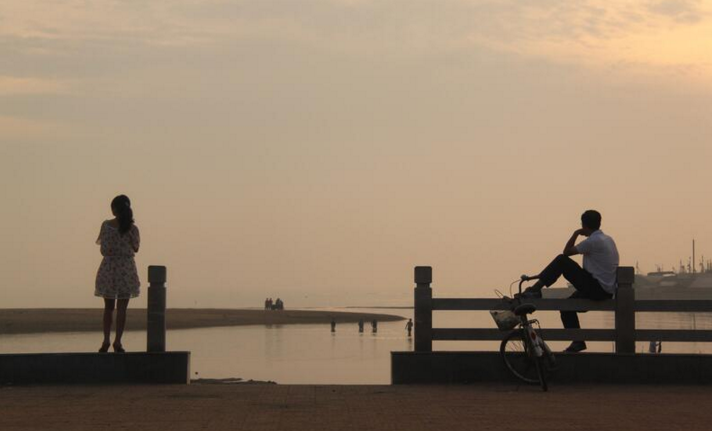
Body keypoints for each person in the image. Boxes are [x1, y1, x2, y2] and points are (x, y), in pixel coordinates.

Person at [520, 210, 619, 353]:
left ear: (584, 225)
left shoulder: (592, 241)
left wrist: (576, 233)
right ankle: (578, 342)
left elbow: (566, 252)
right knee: (566, 307)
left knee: (562, 260)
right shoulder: (608, 239)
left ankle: (535, 290)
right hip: (605, 290)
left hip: (596, 288)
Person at [95, 195, 141, 353]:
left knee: (108, 308)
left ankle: (106, 340)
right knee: (122, 308)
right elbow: (136, 247)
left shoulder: (106, 225)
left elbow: (103, 248)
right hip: (126, 269)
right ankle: (118, 342)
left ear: (114, 209)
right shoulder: (132, 228)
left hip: (108, 268)